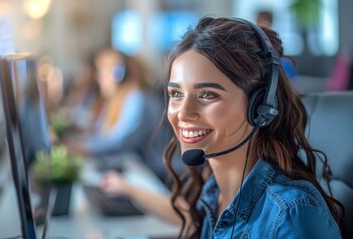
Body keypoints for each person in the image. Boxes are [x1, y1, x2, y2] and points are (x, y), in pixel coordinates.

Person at [159, 16, 344, 238]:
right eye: (176, 94)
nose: (183, 113)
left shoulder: (292, 216)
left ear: (260, 107)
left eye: (208, 95)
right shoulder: (212, 192)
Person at [64, 48, 172, 181]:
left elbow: (118, 142)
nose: (98, 76)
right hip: (139, 169)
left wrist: (80, 148)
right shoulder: (117, 98)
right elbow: (100, 131)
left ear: (118, 74)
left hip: (158, 174)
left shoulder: (135, 98)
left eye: (102, 70)